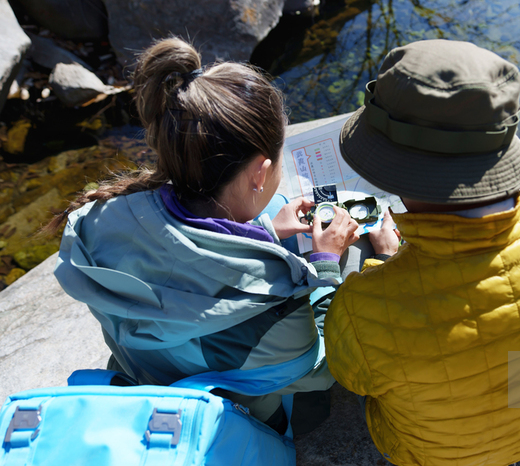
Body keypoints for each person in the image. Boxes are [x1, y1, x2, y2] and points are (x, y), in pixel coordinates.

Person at [324, 40, 520, 465]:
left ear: (394, 169)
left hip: (426, 455)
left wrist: (389, 266)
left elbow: (350, 378)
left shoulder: (360, 311)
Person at [48, 37, 360, 434]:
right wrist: (326, 266)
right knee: (355, 267)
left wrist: (261, 231)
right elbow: (322, 364)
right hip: (236, 413)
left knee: (271, 207)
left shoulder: (96, 224)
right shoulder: (272, 307)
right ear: (260, 172)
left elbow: (181, 265)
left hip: (154, 372)